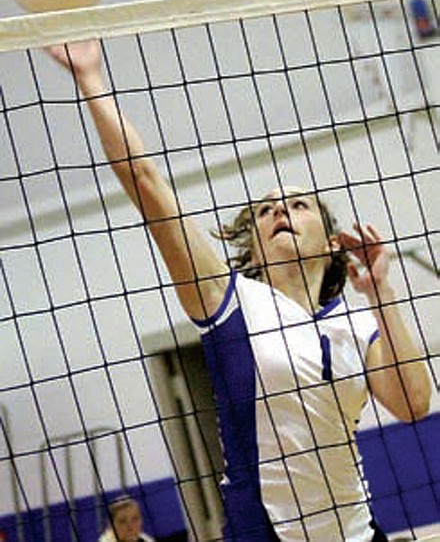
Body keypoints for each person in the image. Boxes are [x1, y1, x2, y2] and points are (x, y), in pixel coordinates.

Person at [47, 40, 432, 542]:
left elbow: (413, 404)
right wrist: (90, 78)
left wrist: (380, 293)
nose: (280, 211)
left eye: (298, 205)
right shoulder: (228, 302)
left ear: (330, 243)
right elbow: (147, 184)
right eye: (266, 210)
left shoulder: (357, 325)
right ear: (254, 251)